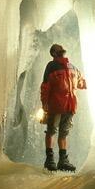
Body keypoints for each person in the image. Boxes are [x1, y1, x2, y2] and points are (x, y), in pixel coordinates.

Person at [40, 43, 87, 171]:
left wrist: (82, 82)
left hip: (69, 105)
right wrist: (44, 105)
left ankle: (62, 161)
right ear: (54, 53)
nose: (61, 49)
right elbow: (45, 86)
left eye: (60, 48)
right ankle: (50, 160)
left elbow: (81, 81)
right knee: (52, 131)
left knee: (63, 133)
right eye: (58, 48)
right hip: (56, 105)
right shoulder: (51, 66)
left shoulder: (70, 66)